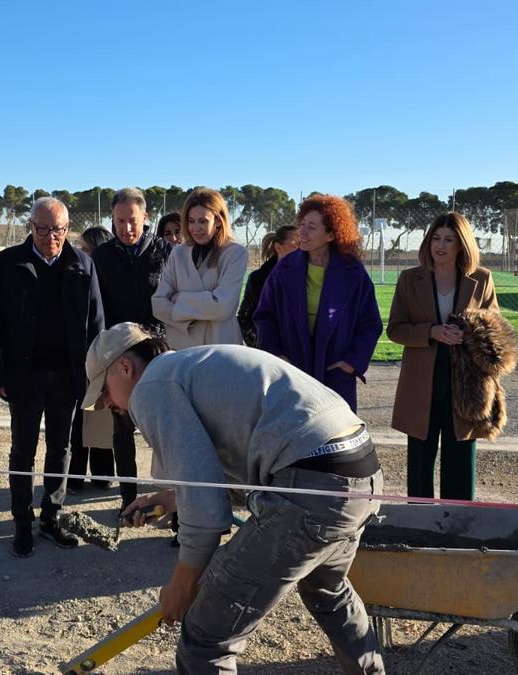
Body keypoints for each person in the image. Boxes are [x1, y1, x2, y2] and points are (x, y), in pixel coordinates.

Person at [82, 323, 385, 674]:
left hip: (313, 485)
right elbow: (226, 466)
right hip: (359, 471)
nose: (107, 403)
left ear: (124, 368)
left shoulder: (152, 387)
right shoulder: (194, 367)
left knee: (205, 639)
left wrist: (183, 583)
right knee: (326, 588)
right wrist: (175, 497)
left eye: (104, 391)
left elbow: (208, 513)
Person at [0, 197, 105, 557]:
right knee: (22, 451)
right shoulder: (6, 264)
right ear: (30, 227)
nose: (52, 236)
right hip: (24, 375)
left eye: (60, 229)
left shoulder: (82, 264)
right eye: (44, 228)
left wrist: (96, 375)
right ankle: (22, 522)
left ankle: (51, 516)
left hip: (68, 376)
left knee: (61, 448)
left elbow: (97, 324)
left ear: (68, 229)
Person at [387, 212, 499, 500]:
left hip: (467, 382)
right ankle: (419, 519)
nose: (441, 245)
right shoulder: (409, 279)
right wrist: (432, 332)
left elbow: (494, 328)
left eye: (449, 240)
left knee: (460, 455)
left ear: (462, 244)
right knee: (420, 459)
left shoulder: (482, 279)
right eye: (436, 238)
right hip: (422, 380)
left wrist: (470, 335)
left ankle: (459, 519)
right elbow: (396, 330)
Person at [254, 194, 383, 410]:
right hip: (291, 371)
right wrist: (275, 356)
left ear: (331, 234)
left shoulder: (354, 273)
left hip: (336, 375)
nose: (301, 232)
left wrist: (351, 363)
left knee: (334, 436)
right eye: (302, 224)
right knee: (293, 434)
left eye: (311, 227)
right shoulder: (283, 269)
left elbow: (370, 324)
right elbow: (265, 316)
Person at [90, 187, 173, 511]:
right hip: (119, 357)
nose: (126, 228)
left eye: (133, 221)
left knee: (166, 433)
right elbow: (97, 307)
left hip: (157, 355)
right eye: (120, 221)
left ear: (145, 217)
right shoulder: (103, 256)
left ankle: (175, 506)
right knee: (121, 431)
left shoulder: (165, 251)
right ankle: (128, 501)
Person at [152, 187, 248, 349]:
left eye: (203, 221)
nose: (195, 228)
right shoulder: (178, 253)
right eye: (191, 221)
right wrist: (206, 301)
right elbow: (158, 305)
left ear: (218, 221)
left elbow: (223, 307)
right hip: (182, 348)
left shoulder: (235, 253)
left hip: (221, 349)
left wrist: (178, 299)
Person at [68, 225, 116, 492]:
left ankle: (102, 474)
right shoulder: (79, 274)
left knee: (100, 416)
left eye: (86, 248)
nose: (81, 252)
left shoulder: (105, 275)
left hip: (105, 354)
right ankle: (74, 476)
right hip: (81, 356)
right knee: (78, 420)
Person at [237, 225, 299, 348]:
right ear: (277, 247)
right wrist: (261, 346)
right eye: (294, 246)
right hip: (266, 354)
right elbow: (244, 318)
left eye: (301, 245)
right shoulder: (258, 279)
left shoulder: (307, 277)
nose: (300, 250)